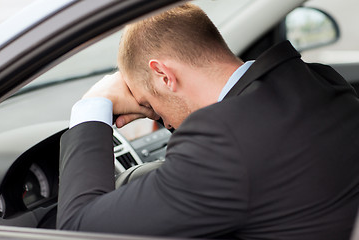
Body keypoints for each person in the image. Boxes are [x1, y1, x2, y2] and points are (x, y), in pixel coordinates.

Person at [57, 3, 359, 240]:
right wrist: (157, 105)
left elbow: (77, 231)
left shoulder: (225, 143)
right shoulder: (318, 81)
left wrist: (91, 106)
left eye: (151, 106)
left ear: (164, 75)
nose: (166, 123)